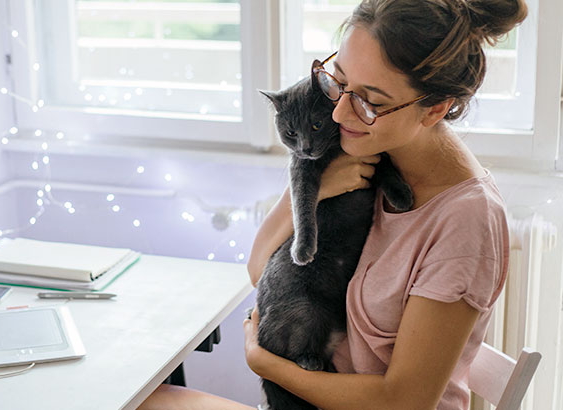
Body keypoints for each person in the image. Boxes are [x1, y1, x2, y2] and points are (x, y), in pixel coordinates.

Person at [139, 0, 527, 409]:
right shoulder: (368, 149)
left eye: (370, 100)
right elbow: (260, 269)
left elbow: (404, 401)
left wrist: (265, 364)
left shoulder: (466, 221)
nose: (340, 110)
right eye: (337, 81)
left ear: (435, 108)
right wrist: (314, 189)